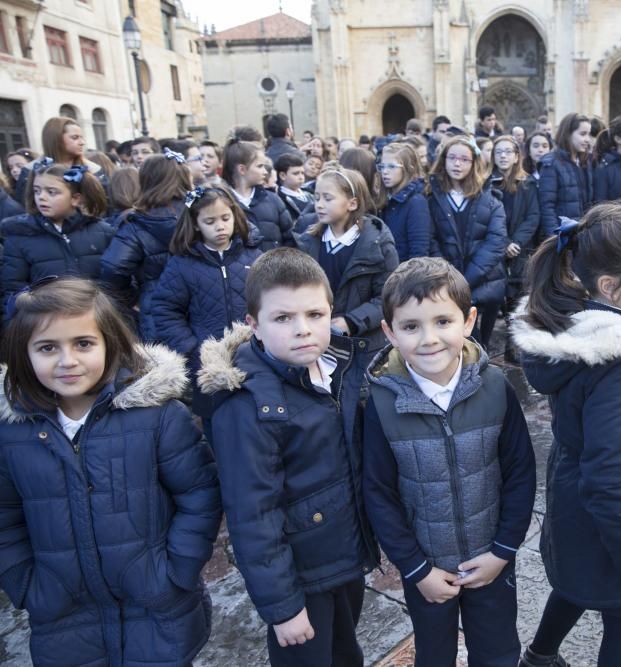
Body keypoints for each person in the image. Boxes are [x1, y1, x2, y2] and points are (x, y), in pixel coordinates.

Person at [0, 277, 221, 666]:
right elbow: (5, 517)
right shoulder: (12, 432)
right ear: (24, 353)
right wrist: (26, 583)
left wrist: (175, 571)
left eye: (83, 344)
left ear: (109, 343)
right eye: (48, 347)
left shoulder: (158, 416)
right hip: (64, 619)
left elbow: (199, 493)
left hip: (157, 610)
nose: (67, 361)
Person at [511, 201, 621, 667]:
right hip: (618, 529)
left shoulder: (577, 330)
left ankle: (540, 655)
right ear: (610, 286)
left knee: (576, 582)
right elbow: (611, 477)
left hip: (577, 512)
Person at [198, 248, 379, 667]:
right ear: (253, 326)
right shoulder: (247, 406)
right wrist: (283, 607)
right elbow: (252, 514)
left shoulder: (340, 366)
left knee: (344, 651)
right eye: (283, 318)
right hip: (300, 576)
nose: (303, 330)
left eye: (315, 315)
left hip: (343, 555)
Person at [364, 256, 536, 666]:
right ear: (389, 331)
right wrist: (416, 569)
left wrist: (502, 551)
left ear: (469, 320)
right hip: (427, 568)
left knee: (498, 653)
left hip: (490, 559)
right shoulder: (381, 403)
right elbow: (378, 492)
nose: (429, 339)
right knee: (435, 655)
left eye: (443, 321)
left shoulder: (496, 387)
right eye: (411, 326)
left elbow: (520, 473)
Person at [150, 186, 263, 416]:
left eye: (225, 218)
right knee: (215, 418)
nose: (220, 226)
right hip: (207, 364)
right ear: (196, 224)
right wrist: (193, 349)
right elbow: (165, 309)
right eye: (210, 221)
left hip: (253, 356)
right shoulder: (183, 263)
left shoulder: (253, 256)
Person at [296, 168, 398, 371]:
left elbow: (388, 296)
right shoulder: (308, 241)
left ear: (352, 203)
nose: (319, 204)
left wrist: (351, 322)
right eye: (316, 197)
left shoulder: (378, 244)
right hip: (316, 341)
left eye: (328, 198)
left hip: (364, 345)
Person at [427, 135, 507, 350]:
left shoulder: (490, 200)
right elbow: (431, 239)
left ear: (473, 163)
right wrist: (448, 276)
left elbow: (496, 243)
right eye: (452, 158)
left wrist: (465, 280)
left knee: (480, 343)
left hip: (483, 281)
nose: (457, 163)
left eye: (464, 159)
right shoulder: (433, 198)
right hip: (445, 280)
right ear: (444, 160)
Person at [100, 154, 191, 341]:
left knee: (167, 366)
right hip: (203, 300)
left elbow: (112, 269)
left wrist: (132, 298)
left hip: (155, 305)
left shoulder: (135, 223)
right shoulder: (202, 213)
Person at [2, 162, 112, 305]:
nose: (41, 197)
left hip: (95, 317)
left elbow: (115, 282)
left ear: (75, 199)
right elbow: (12, 287)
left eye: (51, 192)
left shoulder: (102, 232)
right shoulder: (20, 234)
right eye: (37, 191)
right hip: (45, 319)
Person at [490, 135, 540, 362]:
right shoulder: (486, 183)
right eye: (498, 152)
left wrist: (516, 242)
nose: (503, 156)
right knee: (495, 299)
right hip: (496, 246)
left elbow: (533, 216)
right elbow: (487, 218)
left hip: (520, 249)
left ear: (516, 156)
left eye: (508, 151)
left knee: (518, 298)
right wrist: (503, 243)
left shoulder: (527, 183)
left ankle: (514, 346)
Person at [222, 139, 296, 251]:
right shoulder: (222, 202)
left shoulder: (273, 200)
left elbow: (289, 239)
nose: (265, 172)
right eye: (260, 166)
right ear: (242, 169)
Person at [537, 113, 593, 236]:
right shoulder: (551, 164)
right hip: (562, 235)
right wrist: (555, 238)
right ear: (568, 134)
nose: (587, 139)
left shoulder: (584, 162)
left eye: (588, 134)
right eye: (583, 134)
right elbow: (547, 207)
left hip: (582, 233)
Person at [379, 142, 431, 261]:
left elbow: (419, 251)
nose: (385, 172)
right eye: (382, 166)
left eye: (391, 166)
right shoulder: (385, 198)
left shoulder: (416, 202)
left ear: (408, 169)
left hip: (404, 273)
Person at [274, 153, 315, 221]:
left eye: (302, 173)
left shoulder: (310, 193)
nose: (301, 177)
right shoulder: (279, 198)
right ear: (282, 175)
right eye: (296, 173)